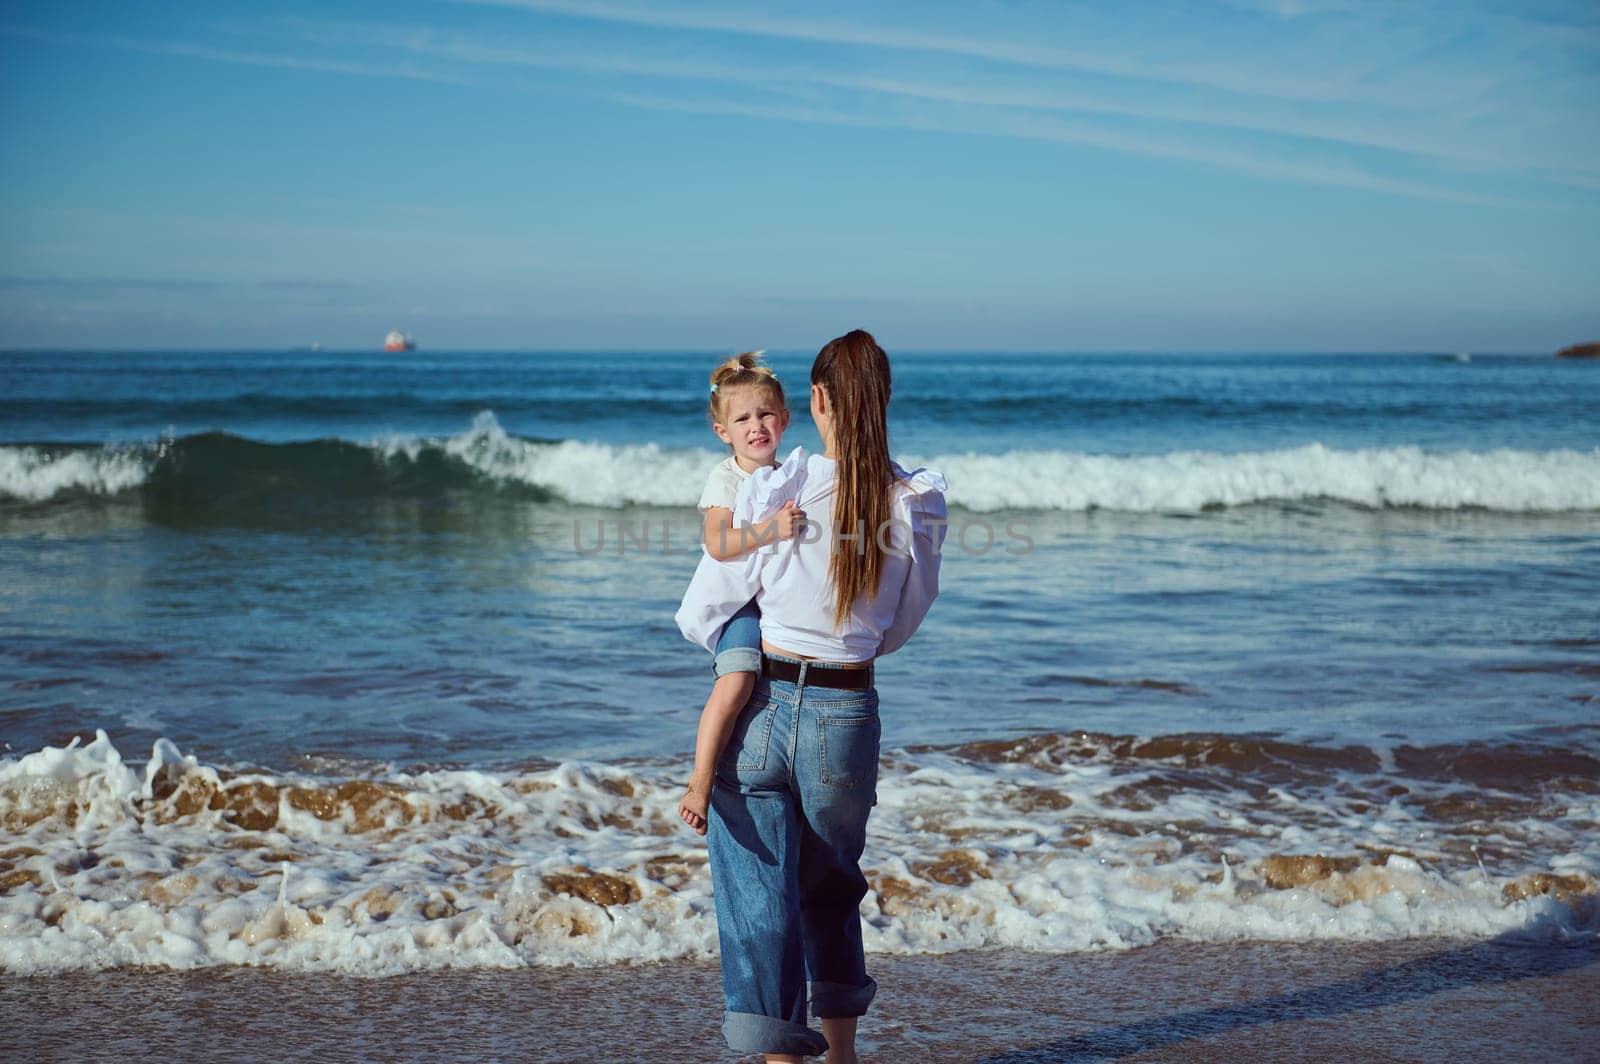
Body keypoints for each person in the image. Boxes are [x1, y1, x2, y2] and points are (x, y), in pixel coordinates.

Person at [676, 329, 948, 1062]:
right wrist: (847, 652)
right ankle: (843, 1053)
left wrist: (738, 649)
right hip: (845, 712)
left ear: (817, 402)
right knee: (830, 887)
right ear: (882, 400)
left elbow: (708, 603)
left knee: (759, 896)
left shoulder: (780, 487)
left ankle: (777, 1056)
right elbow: (901, 622)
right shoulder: (914, 500)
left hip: (762, 706)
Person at [678, 352, 808, 836]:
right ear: (722, 432)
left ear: (785, 420)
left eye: (766, 414)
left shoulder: (789, 473)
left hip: (773, 594)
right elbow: (718, 544)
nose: (756, 426)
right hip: (737, 604)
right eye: (742, 418)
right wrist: (772, 529)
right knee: (736, 682)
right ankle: (700, 780)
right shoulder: (726, 478)